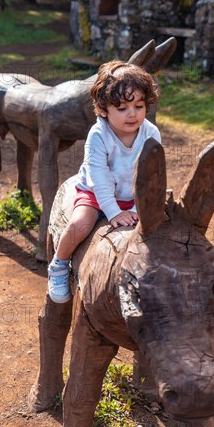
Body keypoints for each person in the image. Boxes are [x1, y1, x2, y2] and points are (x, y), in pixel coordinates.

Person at [47, 60, 161, 303]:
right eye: (122, 108)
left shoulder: (151, 133)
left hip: (133, 194)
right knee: (81, 224)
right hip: (96, 193)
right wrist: (113, 211)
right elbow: (99, 177)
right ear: (102, 109)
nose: (132, 114)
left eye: (139, 106)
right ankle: (59, 264)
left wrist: (138, 206)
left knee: (163, 229)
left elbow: (153, 172)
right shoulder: (99, 135)